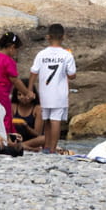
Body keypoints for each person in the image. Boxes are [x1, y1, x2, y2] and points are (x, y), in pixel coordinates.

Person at [29, 23, 77, 154]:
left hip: (44, 93)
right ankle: (53, 149)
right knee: (56, 120)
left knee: (47, 121)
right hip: (59, 94)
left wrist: (29, 89)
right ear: (63, 37)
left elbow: (33, 72)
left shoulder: (41, 54)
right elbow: (72, 75)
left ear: (48, 37)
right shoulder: (66, 55)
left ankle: (46, 146)